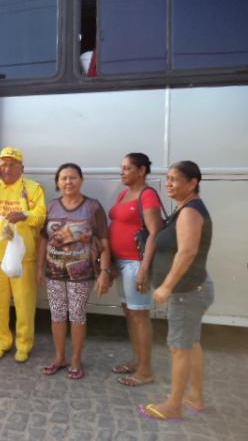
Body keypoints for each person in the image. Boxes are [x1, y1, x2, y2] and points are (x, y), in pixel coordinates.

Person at [140, 161, 214, 421]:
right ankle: (195, 397)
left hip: (186, 292)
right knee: (191, 343)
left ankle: (174, 405)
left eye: (175, 179)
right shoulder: (183, 208)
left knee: (179, 348)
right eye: (168, 178)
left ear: (193, 182)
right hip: (192, 288)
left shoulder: (190, 212)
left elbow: (187, 252)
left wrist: (167, 286)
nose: (169, 183)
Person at [0, 147, 46, 363]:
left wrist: (25, 215)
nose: (7, 168)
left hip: (24, 257)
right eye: (3, 164)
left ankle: (24, 344)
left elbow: (41, 216)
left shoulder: (33, 188)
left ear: (22, 167)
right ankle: (2, 341)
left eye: (12, 164)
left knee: (24, 304)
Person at [37, 163, 111, 379]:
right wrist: (39, 269)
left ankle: (76, 360)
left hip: (82, 274)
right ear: (57, 183)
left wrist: (105, 272)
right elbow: (43, 239)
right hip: (54, 273)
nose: (68, 182)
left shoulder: (93, 207)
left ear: (81, 180)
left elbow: (104, 241)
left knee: (77, 315)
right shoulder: (51, 207)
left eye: (72, 177)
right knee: (57, 315)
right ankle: (60, 357)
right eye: (63, 178)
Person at [109, 153, 163, 386]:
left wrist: (144, 270)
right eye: (121, 168)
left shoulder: (147, 195)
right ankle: (137, 361)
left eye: (127, 168)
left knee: (140, 316)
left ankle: (146, 371)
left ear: (142, 171)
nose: (122, 172)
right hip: (121, 264)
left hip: (135, 264)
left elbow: (154, 233)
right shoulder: (124, 194)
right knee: (130, 314)